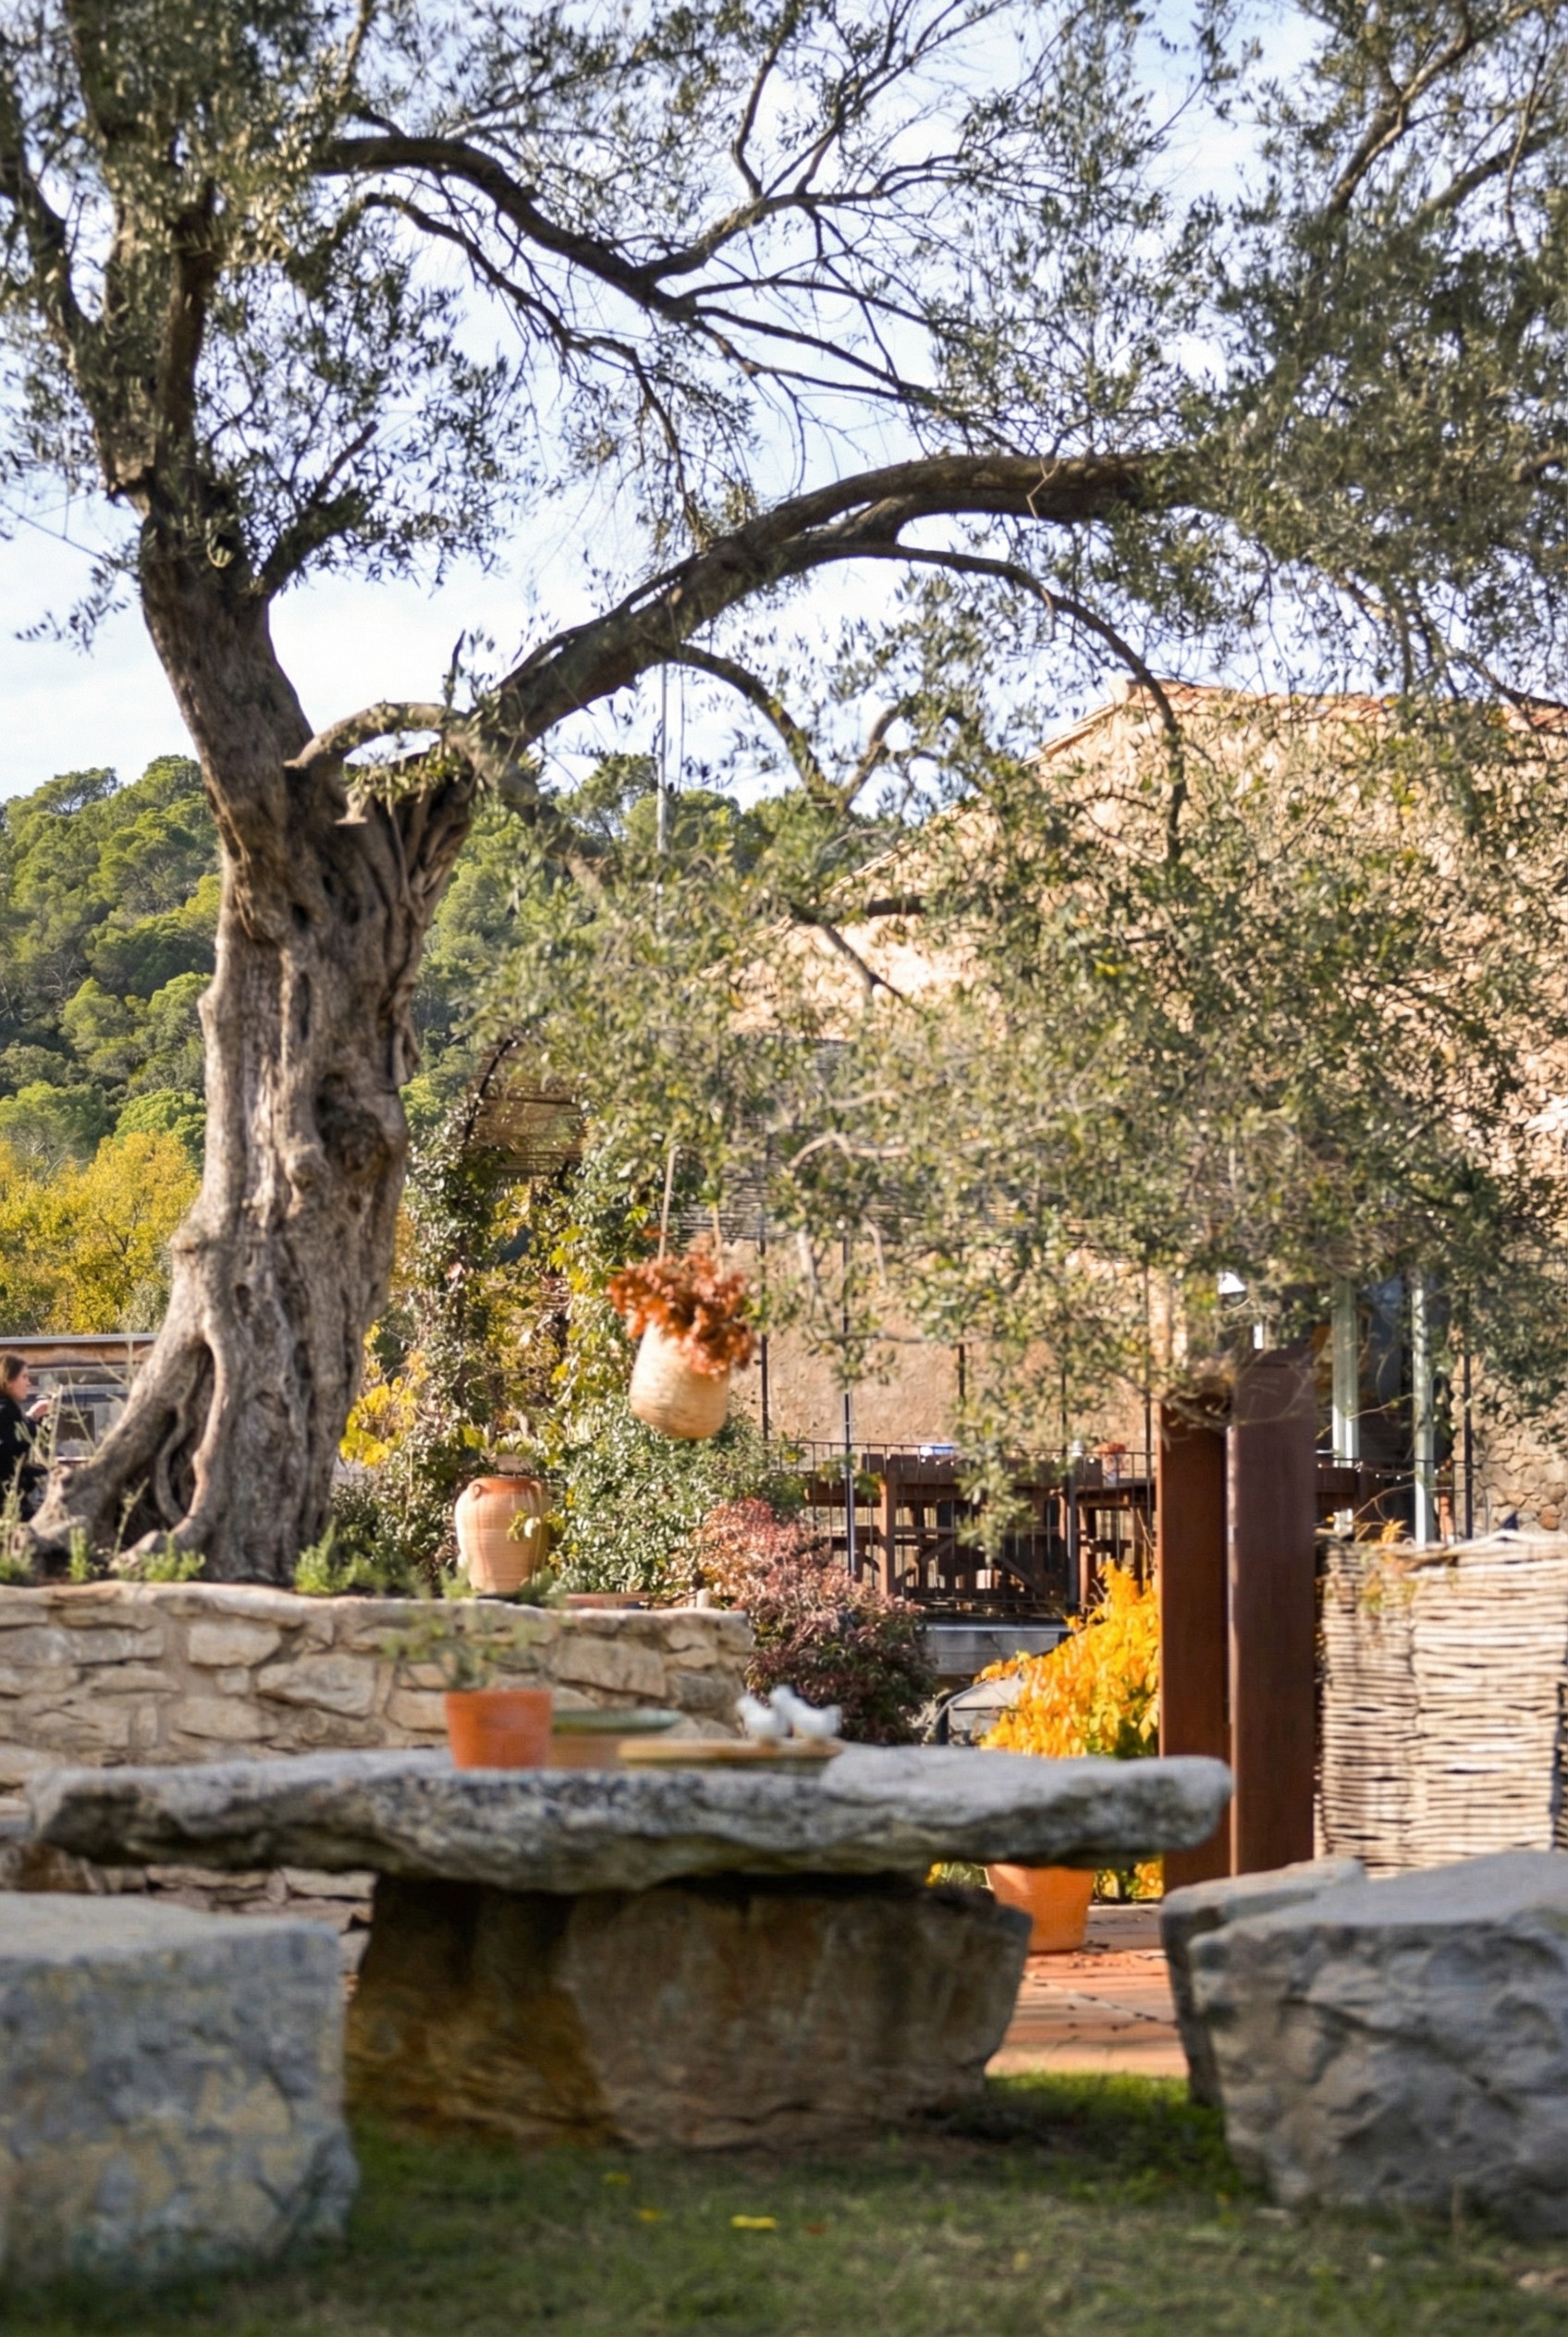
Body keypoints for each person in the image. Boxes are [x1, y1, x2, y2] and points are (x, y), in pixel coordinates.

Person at [0, 1355, 50, 1516]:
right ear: (8, 1380)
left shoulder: (9, 1409)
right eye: (24, 1377)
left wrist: (33, 1417)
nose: (29, 1383)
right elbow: (10, 1458)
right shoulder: (5, 1411)